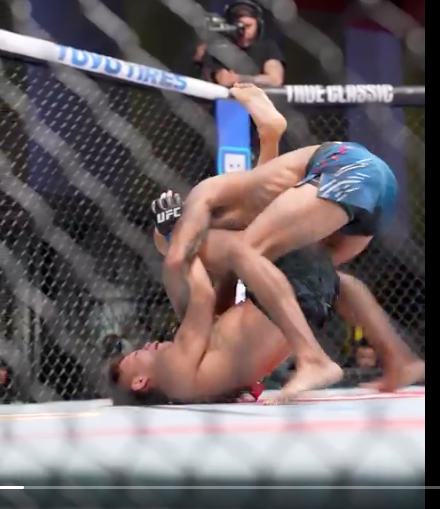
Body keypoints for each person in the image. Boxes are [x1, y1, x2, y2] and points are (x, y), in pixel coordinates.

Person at [163, 84, 425, 403]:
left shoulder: (204, 196)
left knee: (245, 252)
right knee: (331, 279)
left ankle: (312, 358)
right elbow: (230, 280)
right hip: (370, 184)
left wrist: (172, 243)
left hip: (345, 168)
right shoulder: (253, 209)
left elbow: (178, 257)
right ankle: (400, 359)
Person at [109, 224, 340, 405]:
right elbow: (203, 296)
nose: (146, 345)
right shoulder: (172, 371)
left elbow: (223, 302)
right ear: (140, 382)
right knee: (188, 236)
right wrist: (176, 236)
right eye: (137, 354)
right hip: (292, 284)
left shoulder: (202, 382)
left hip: (311, 294)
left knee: (223, 233)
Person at [206, 0, 285, 87]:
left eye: (248, 26)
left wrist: (239, 78)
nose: (243, 31)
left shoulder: (268, 47)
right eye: (238, 26)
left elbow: (275, 80)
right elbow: (223, 79)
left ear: (258, 25)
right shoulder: (221, 49)